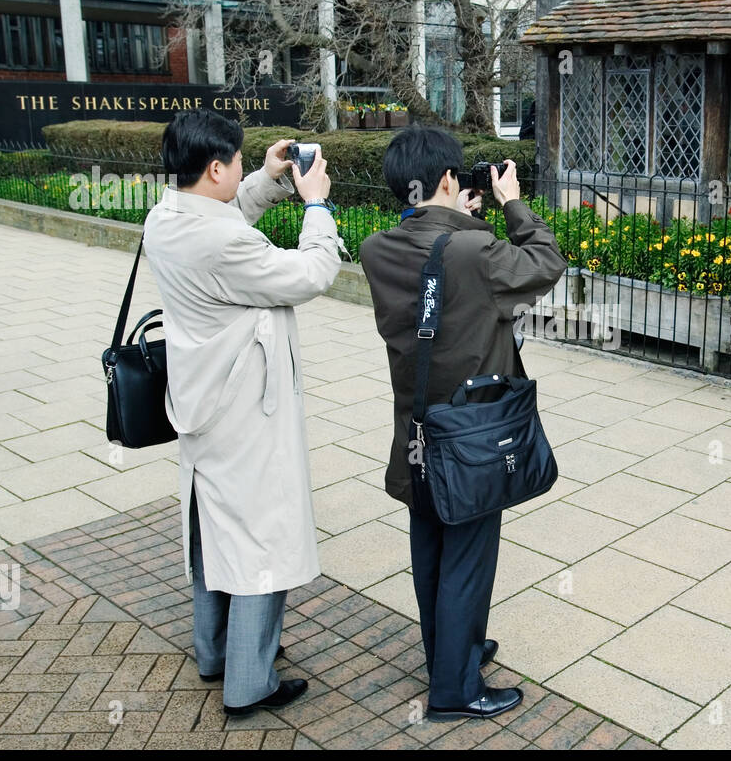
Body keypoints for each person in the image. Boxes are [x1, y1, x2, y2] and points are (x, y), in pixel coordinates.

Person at [142, 110, 346, 716]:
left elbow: (225, 219)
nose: (238, 170)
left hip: (199, 399)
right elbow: (311, 274)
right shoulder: (222, 240)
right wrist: (314, 205)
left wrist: (262, 177)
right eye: (234, 162)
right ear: (212, 167)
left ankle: (215, 652)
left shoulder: (166, 215)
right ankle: (250, 682)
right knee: (262, 537)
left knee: (213, 526)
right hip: (245, 409)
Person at [359, 127, 566, 721]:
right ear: (449, 181)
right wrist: (510, 202)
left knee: (430, 549)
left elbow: (431, 260)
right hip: (473, 436)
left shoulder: (378, 249)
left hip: (418, 429)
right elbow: (546, 262)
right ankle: (455, 689)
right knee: (469, 558)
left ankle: (450, 653)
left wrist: (456, 218)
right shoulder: (475, 252)